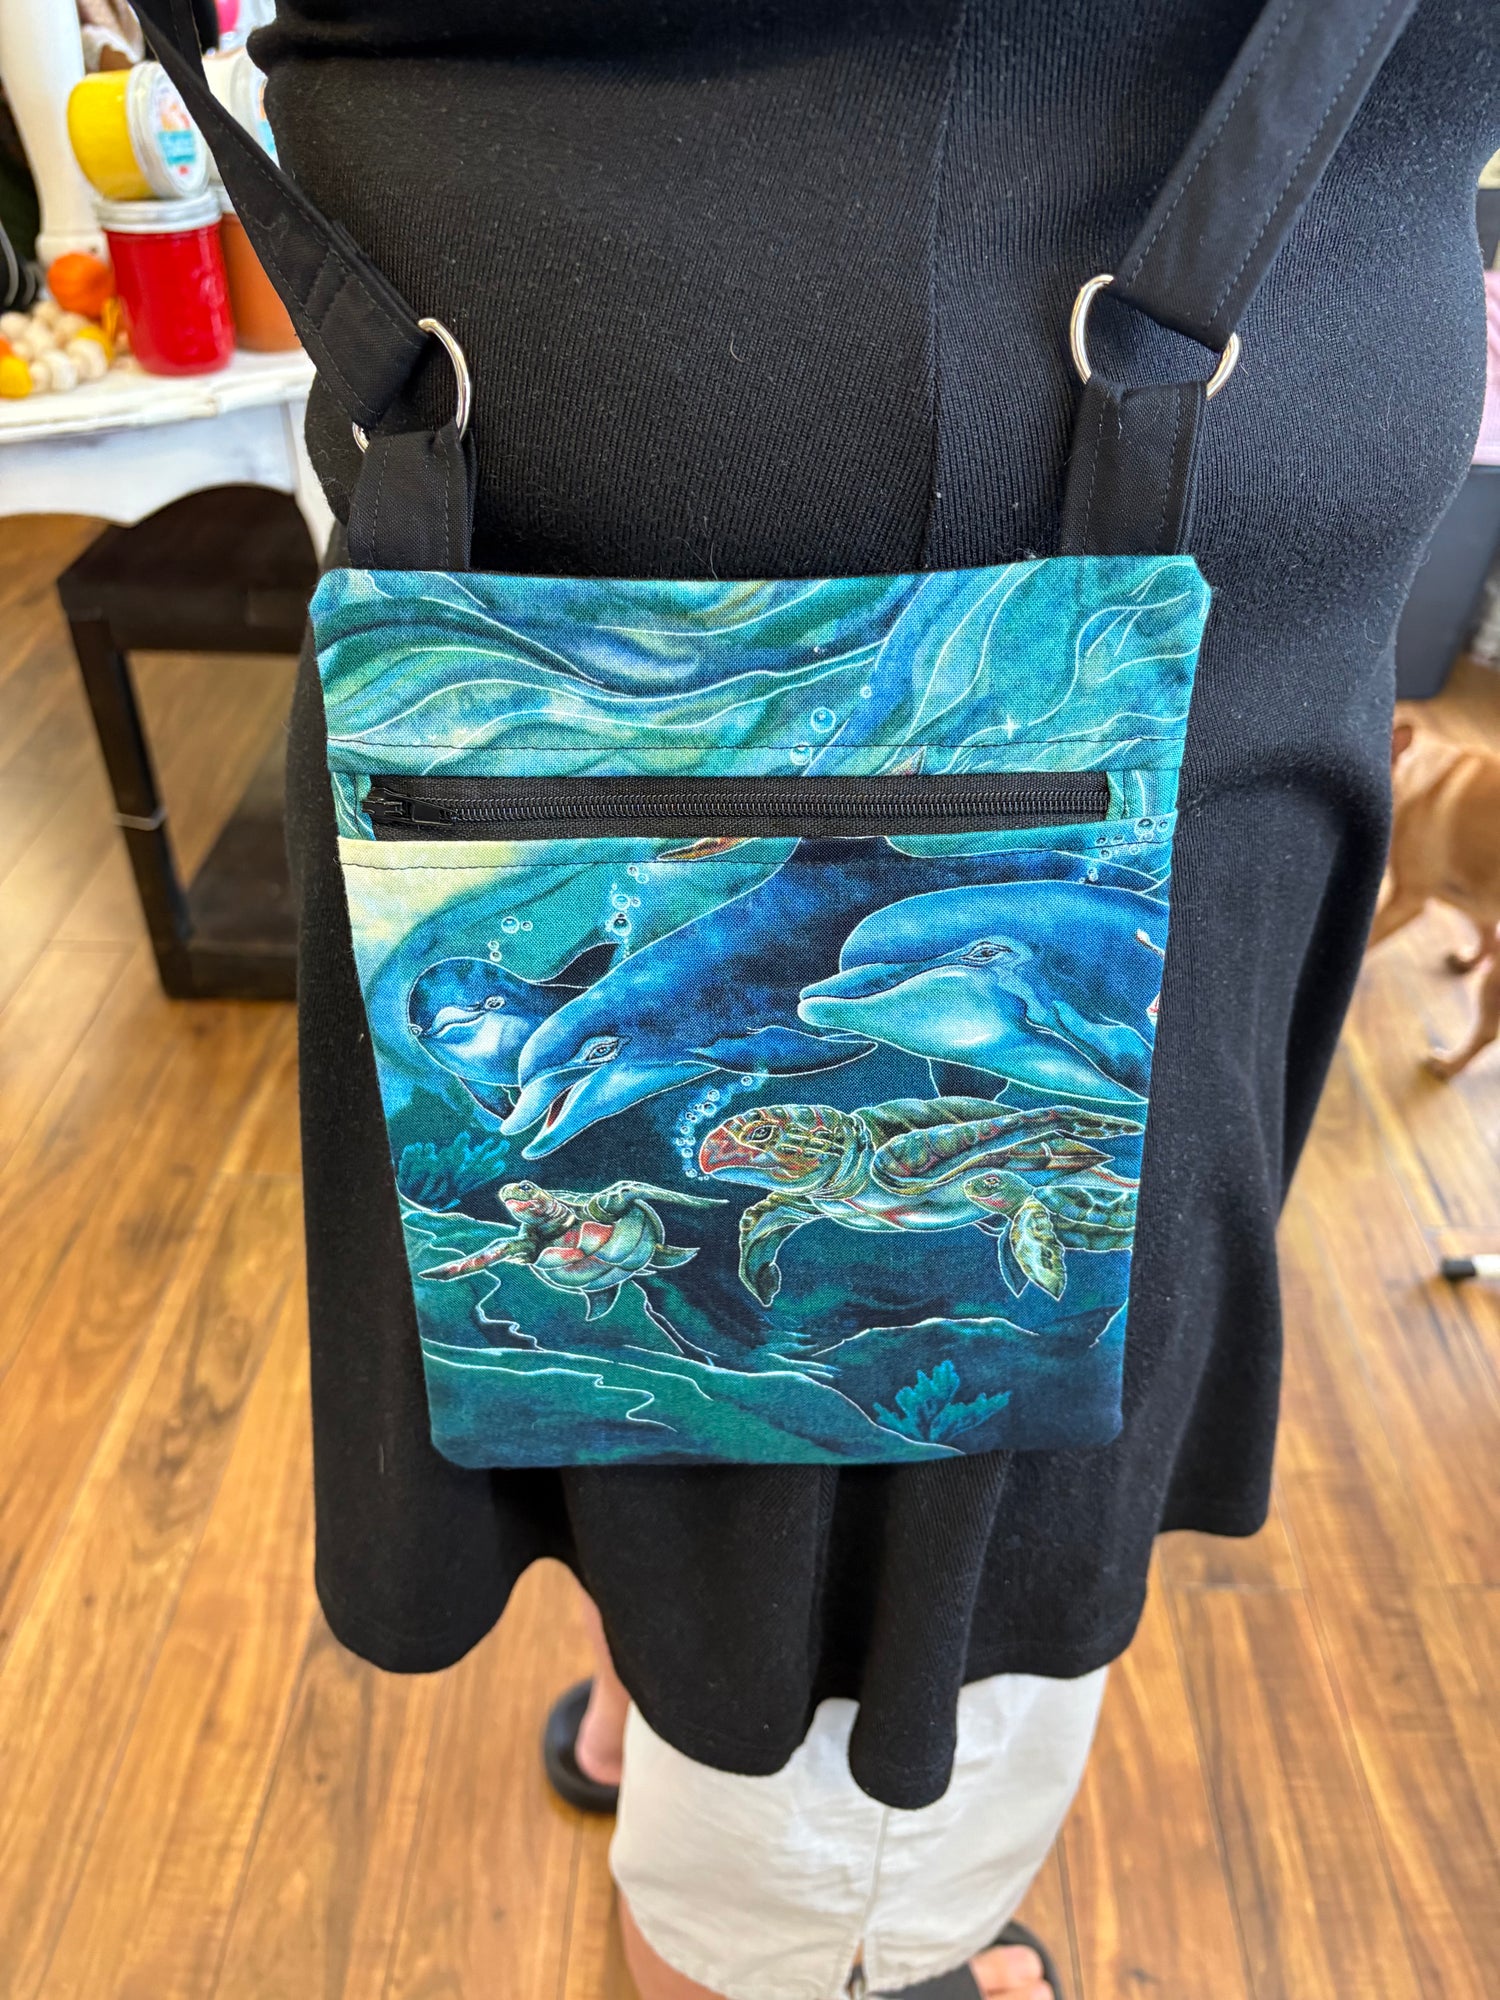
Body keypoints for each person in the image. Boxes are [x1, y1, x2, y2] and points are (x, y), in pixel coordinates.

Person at [250, 3, 1499, 1995]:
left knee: (606, 1281)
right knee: (862, 1633)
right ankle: (817, 1914)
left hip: (475, 392)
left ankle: (692, 1687)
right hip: (1113, 486)